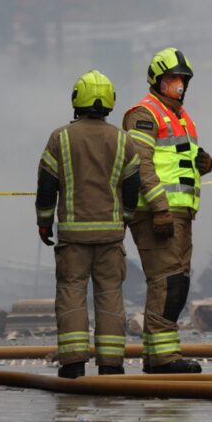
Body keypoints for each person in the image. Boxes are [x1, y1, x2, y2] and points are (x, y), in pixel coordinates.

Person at [36, 69, 141, 379]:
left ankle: (73, 364)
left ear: (76, 99)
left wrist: (44, 222)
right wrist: (126, 219)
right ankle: (112, 365)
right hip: (110, 237)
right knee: (110, 295)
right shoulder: (123, 140)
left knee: (72, 293)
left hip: (73, 238)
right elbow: (133, 187)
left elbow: (46, 186)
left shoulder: (60, 138)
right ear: (110, 101)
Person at [122, 47, 212, 374]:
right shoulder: (145, 114)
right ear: (157, 81)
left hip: (180, 213)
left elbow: (173, 162)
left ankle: (156, 355)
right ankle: (164, 359)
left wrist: (202, 164)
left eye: (182, 79)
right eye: (172, 78)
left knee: (174, 282)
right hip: (157, 214)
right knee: (168, 282)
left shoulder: (179, 116)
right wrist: (160, 208)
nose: (179, 84)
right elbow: (141, 164)